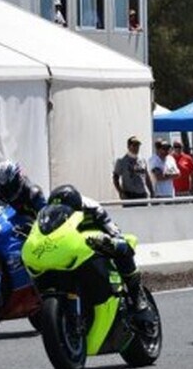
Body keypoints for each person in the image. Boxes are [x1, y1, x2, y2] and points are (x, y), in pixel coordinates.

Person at [45, 184, 153, 324]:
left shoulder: (92, 207)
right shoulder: (52, 215)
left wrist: (110, 240)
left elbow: (113, 230)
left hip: (97, 240)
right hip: (72, 246)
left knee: (122, 246)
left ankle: (137, 294)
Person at [112, 135, 153, 201]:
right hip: (129, 195)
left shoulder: (142, 160)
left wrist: (151, 191)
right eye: (134, 145)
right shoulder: (122, 161)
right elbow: (115, 177)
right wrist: (120, 192)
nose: (136, 148)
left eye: (137, 146)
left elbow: (147, 177)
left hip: (142, 194)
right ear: (128, 147)